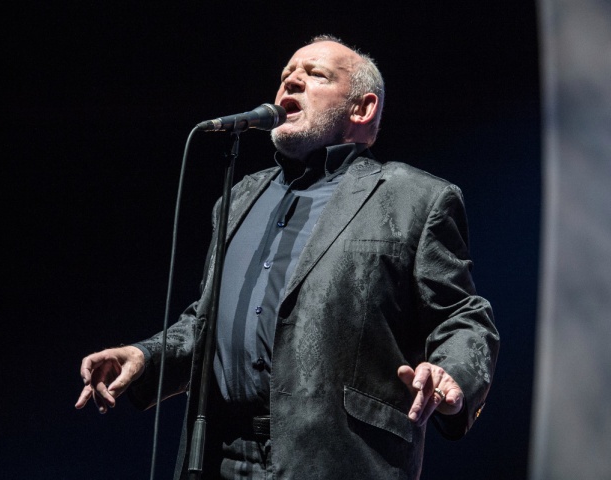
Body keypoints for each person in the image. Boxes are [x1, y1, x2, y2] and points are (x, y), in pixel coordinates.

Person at [75, 35, 499, 480]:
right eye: (286, 75)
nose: (291, 81)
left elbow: (463, 316)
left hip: (338, 459)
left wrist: (452, 373)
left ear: (362, 108)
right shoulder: (239, 199)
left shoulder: (414, 198)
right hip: (219, 457)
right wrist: (145, 356)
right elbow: (205, 322)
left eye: (316, 75)